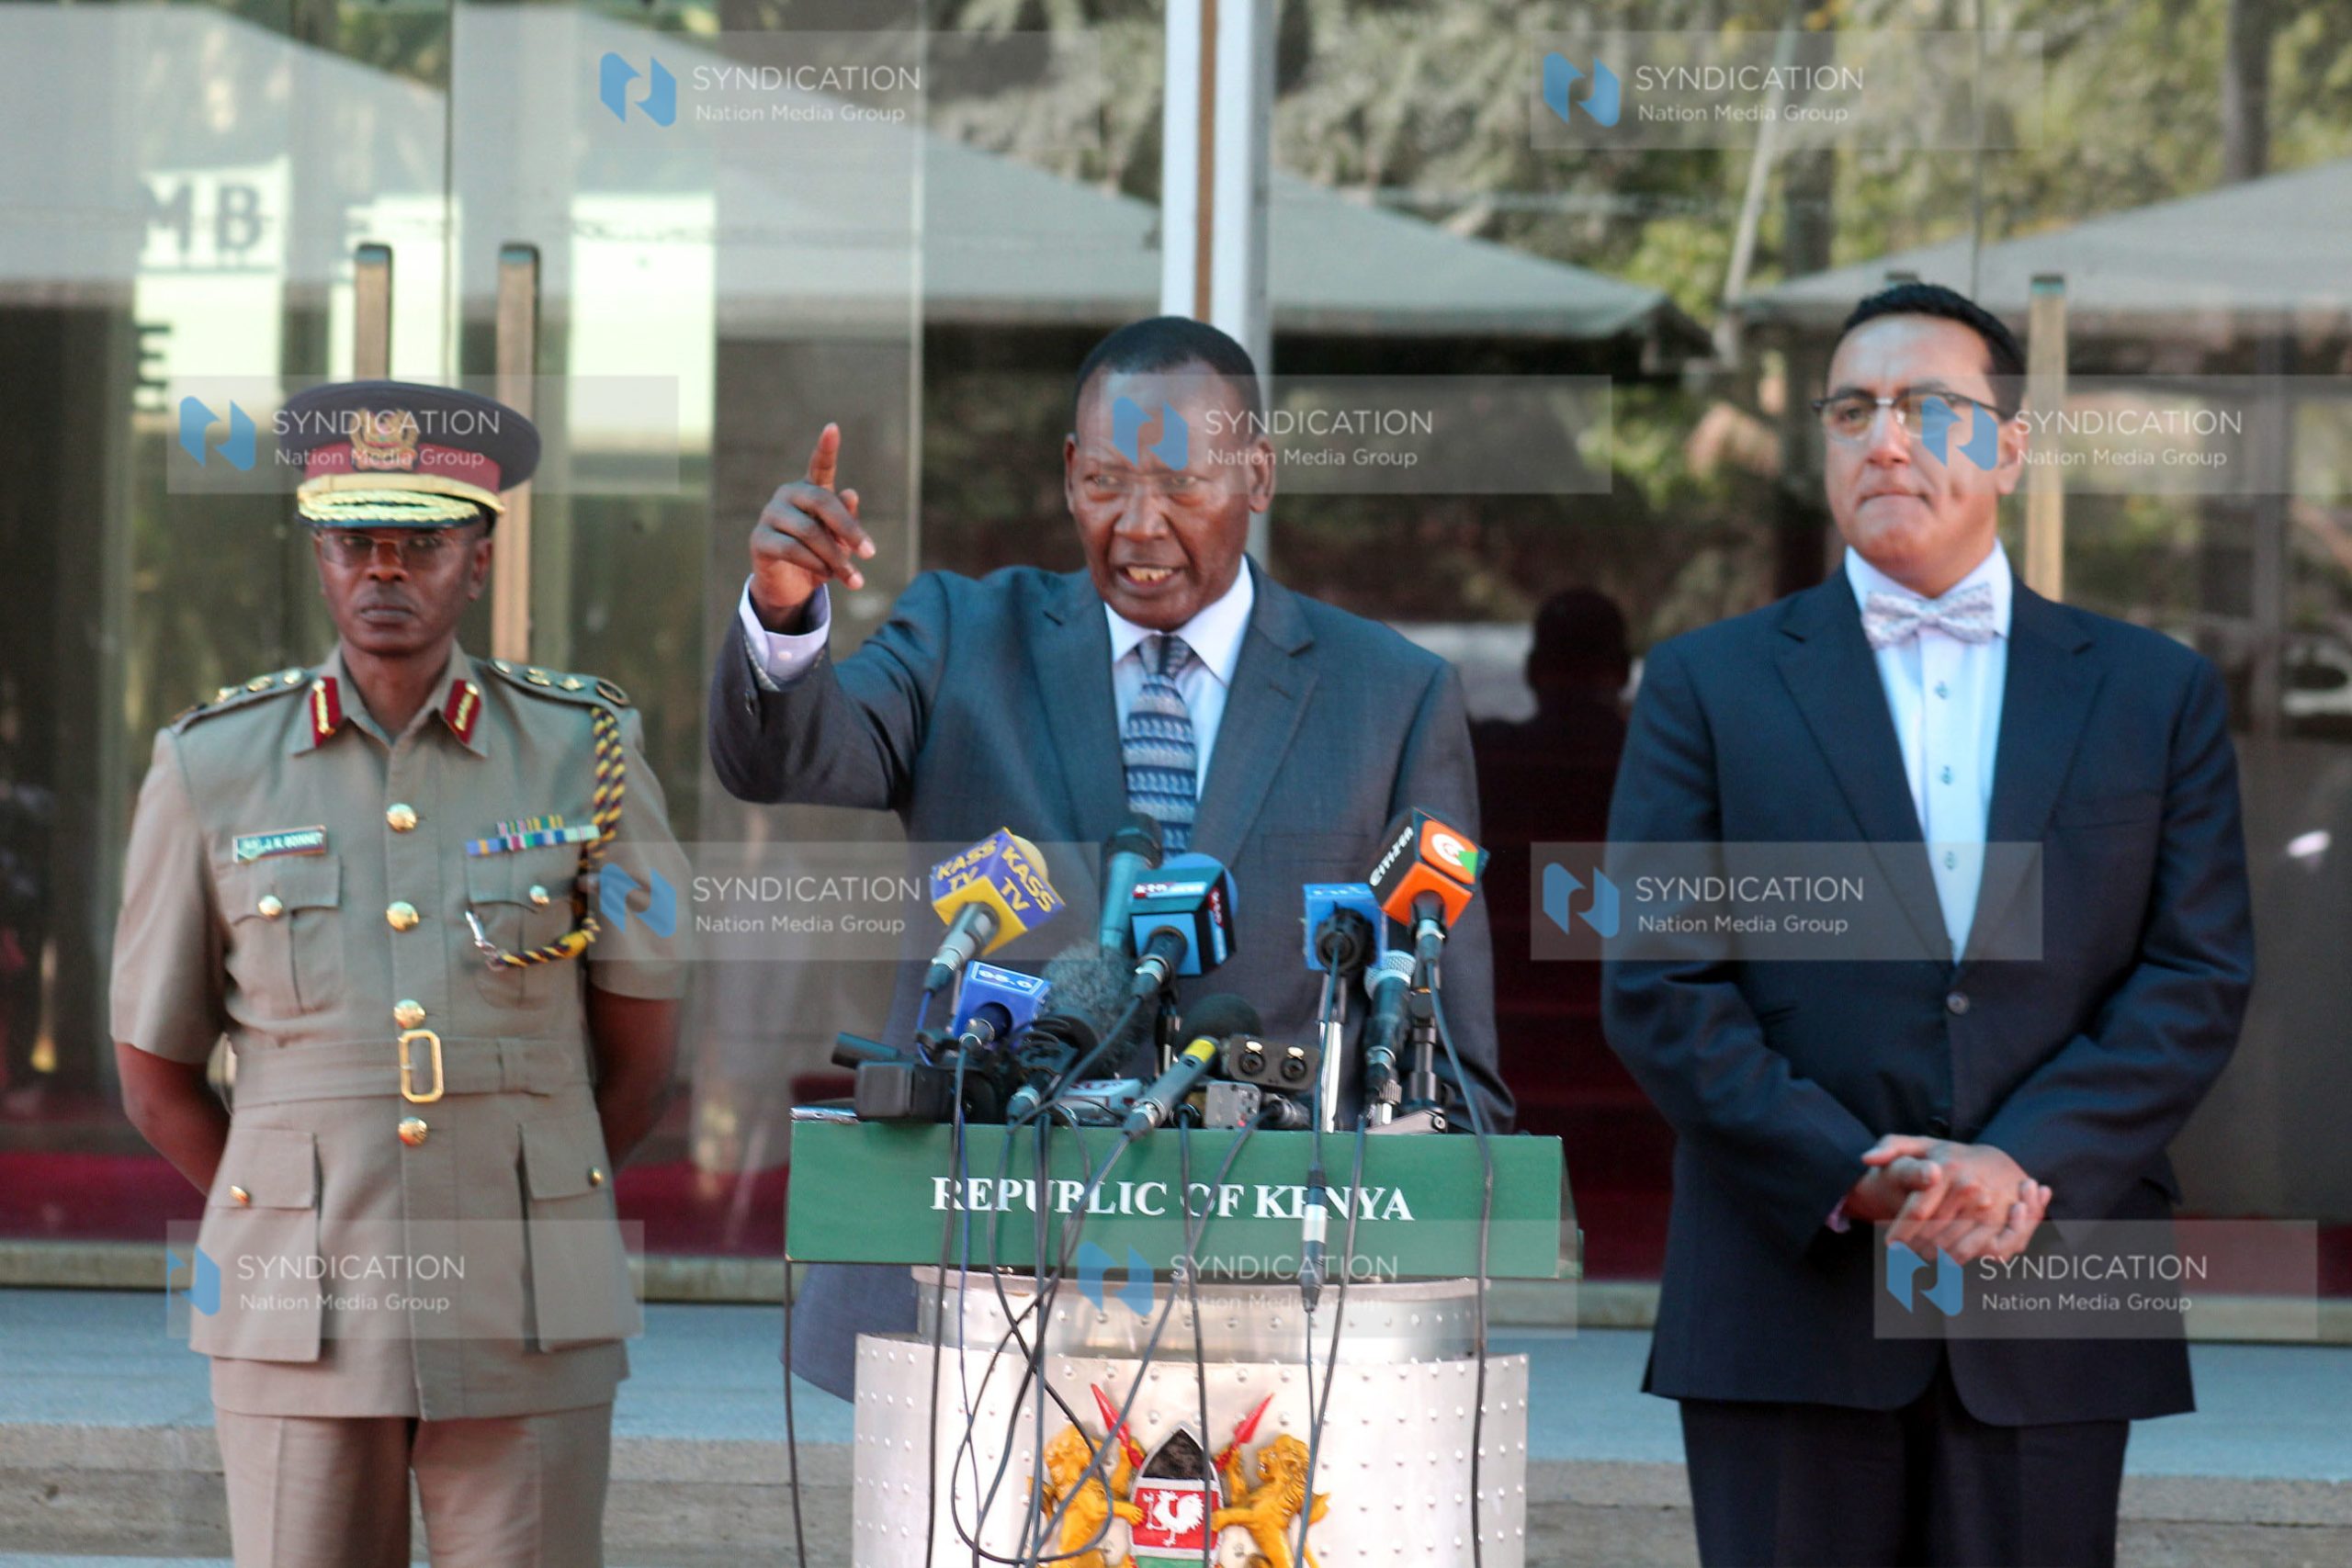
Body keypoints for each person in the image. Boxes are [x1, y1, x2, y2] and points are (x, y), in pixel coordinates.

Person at [707, 315, 1510, 1396]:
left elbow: (1452, 1064)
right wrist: (783, 609)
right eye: (1106, 484)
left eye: (1181, 484)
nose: (1138, 524)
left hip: (1283, 1328)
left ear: (1258, 476)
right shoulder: (961, 637)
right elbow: (789, 757)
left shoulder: (1389, 696)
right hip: (975, 1293)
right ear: (1069, 478)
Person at [1603, 283, 2255, 1566]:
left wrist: (2017, 1161)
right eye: (1853, 410)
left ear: (2013, 445)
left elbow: (2195, 974)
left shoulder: (2152, 691)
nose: (1885, 439)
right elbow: (1661, 981)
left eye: (1928, 409)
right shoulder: (1703, 684)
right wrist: (1858, 1171)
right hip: (1789, 1299)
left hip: (2048, 1298)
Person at [110, 381, 686, 1567]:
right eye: (355, 541)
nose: (385, 570)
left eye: (420, 541)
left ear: (478, 560)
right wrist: (286, 1201)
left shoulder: (587, 751)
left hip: (531, 1292)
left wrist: (525, 1191)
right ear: (320, 557)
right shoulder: (211, 764)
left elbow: (639, 1062)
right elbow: (154, 1069)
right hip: (294, 1305)